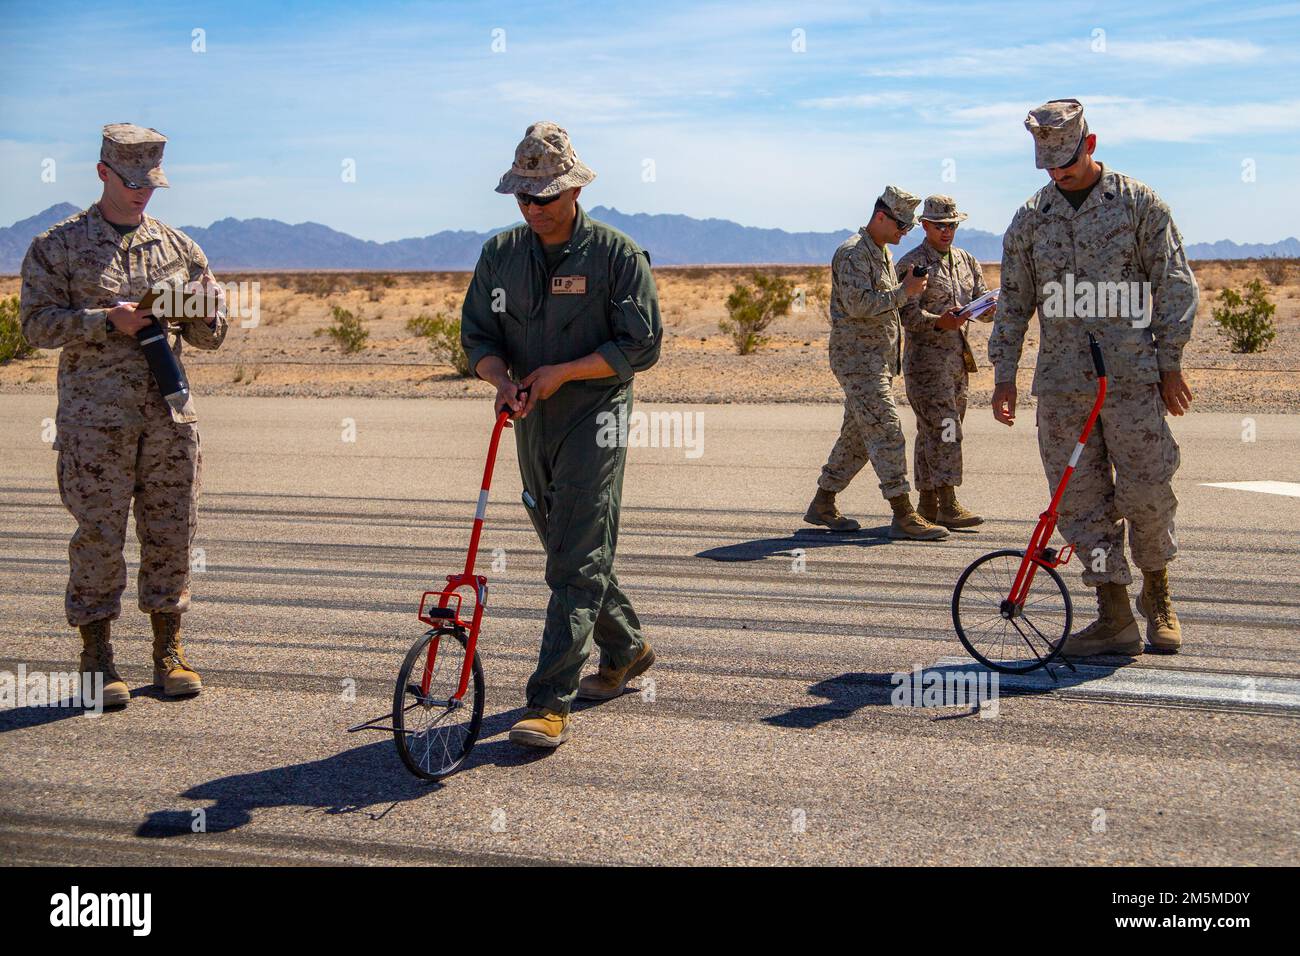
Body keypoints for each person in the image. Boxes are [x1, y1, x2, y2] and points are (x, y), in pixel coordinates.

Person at [461, 121, 662, 748]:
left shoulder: (615, 255)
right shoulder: (500, 254)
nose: (533, 208)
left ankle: (549, 701)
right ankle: (626, 646)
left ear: (573, 190)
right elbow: (478, 338)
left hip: (595, 413)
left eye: (544, 196)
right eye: (523, 197)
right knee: (564, 540)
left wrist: (563, 373)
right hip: (530, 415)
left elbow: (643, 345)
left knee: (574, 557)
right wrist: (501, 379)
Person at [20, 123, 228, 706]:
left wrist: (202, 312)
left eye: (151, 183)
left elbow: (213, 338)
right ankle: (96, 655)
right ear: (103, 172)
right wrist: (102, 320)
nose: (141, 193)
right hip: (95, 424)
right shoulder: (56, 246)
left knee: (171, 533)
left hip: (169, 418)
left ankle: (169, 650)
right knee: (98, 537)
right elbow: (35, 325)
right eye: (131, 180)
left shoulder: (180, 248)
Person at [990, 99, 1198, 656]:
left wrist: (1169, 359)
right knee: (1081, 503)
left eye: (1068, 161)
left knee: (1148, 490)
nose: (1059, 173)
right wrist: (1004, 374)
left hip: (1131, 378)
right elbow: (1013, 301)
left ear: (1092, 144)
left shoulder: (1138, 205)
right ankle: (1112, 614)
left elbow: (1175, 282)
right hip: (1062, 385)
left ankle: (1158, 596)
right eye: (1050, 165)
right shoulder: (1031, 218)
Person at [805, 186, 949, 541]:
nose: (904, 232)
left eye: (909, 228)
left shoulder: (880, 252)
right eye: (901, 225)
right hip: (858, 361)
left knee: (857, 438)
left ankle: (823, 503)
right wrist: (905, 293)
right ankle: (903, 513)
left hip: (876, 360)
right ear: (881, 217)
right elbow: (858, 305)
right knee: (887, 428)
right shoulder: (854, 253)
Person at [897, 195, 992, 530]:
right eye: (940, 225)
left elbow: (980, 296)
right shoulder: (912, 264)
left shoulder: (966, 260)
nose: (947, 231)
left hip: (957, 361)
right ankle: (948, 503)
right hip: (926, 362)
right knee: (946, 429)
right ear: (925, 226)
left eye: (952, 225)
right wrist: (938, 321)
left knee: (932, 432)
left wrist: (987, 309)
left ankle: (928, 503)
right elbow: (905, 313)